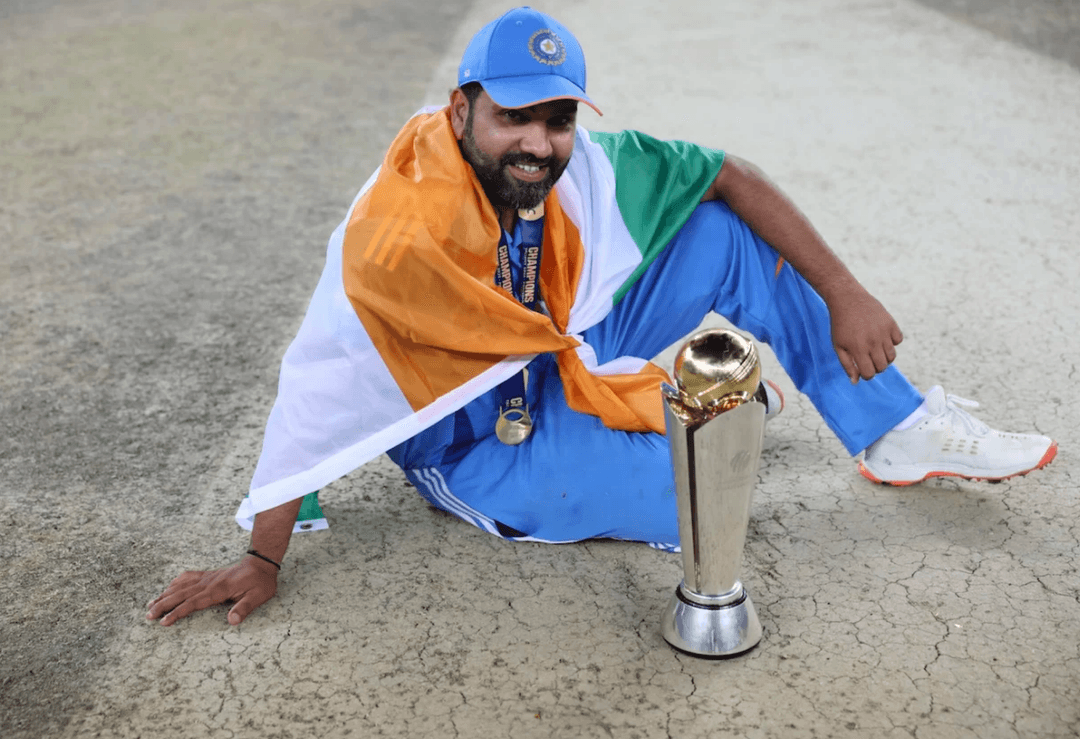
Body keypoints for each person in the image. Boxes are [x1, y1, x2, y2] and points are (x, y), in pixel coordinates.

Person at [147, 7, 1056, 627]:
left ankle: (891, 427)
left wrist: (847, 291)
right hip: (477, 431)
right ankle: (714, 412)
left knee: (720, 229)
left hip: (561, 341)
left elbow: (727, 171)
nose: (538, 144)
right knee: (696, 499)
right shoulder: (398, 235)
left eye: (557, 119)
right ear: (461, 109)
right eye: (514, 118)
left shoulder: (570, 165)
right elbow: (324, 377)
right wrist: (264, 555)